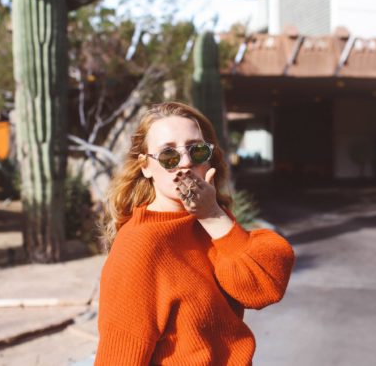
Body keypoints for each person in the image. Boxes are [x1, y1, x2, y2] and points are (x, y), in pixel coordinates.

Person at [94, 102, 294, 365]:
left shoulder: (210, 222)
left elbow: (264, 287)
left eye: (196, 150)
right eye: (168, 155)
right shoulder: (139, 245)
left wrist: (212, 215)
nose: (185, 162)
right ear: (145, 166)